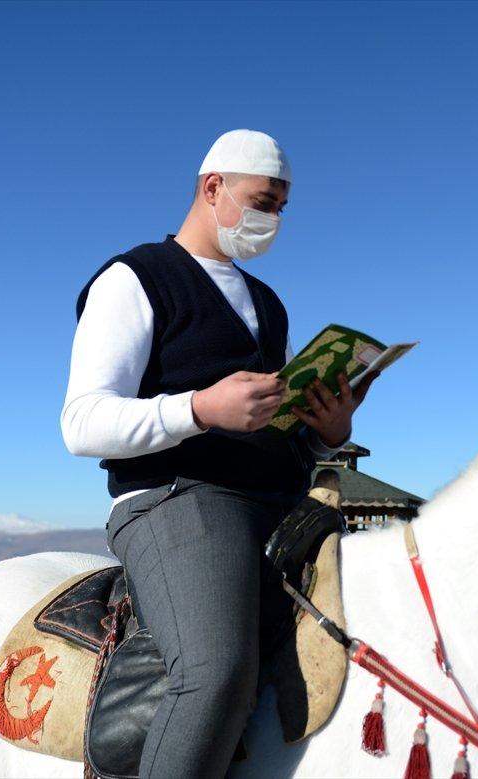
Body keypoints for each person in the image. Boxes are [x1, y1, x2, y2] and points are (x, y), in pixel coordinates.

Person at [61, 129, 374, 777]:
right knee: (217, 670)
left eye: (282, 208)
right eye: (264, 201)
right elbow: (81, 422)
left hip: (284, 500)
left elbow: (276, 426)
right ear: (213, 188)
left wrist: (327, 430)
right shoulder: (135, 278)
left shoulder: (268, 304)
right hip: (178, 499)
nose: (273, 221)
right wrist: (200, 408)